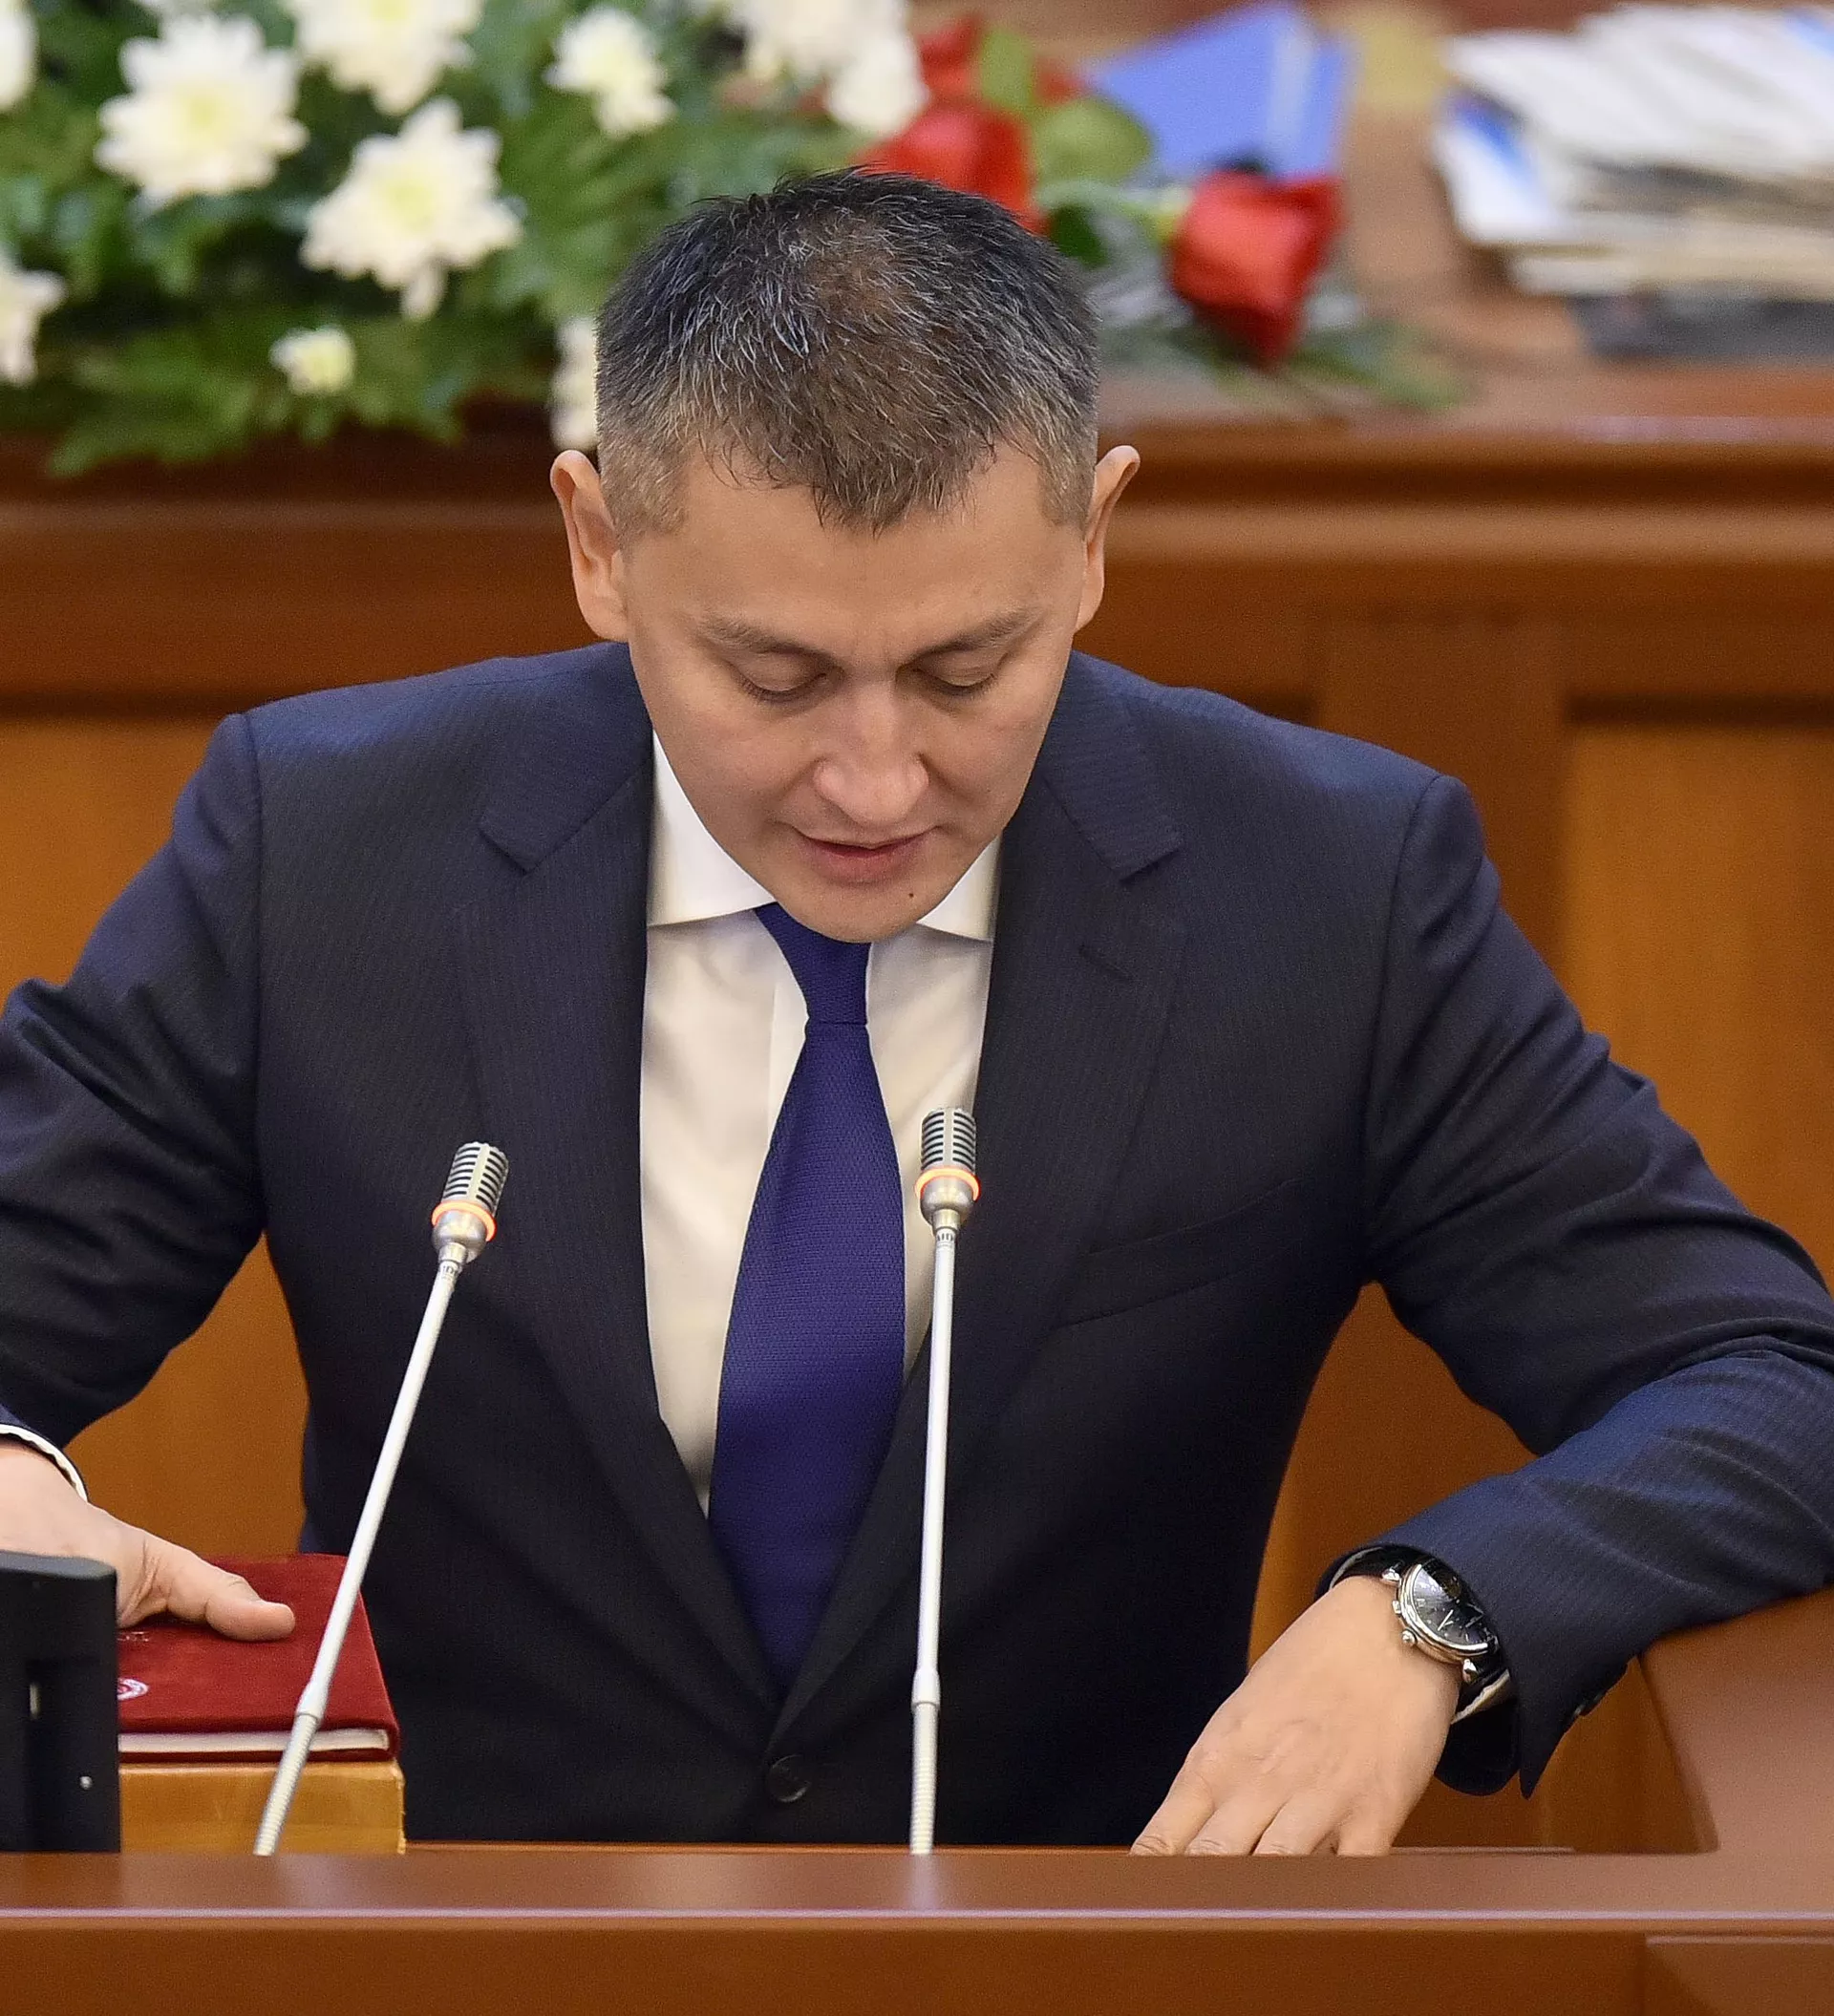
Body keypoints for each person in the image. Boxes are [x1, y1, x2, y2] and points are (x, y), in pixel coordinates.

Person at [2, 173, 1832, 1854]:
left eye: (968, 667)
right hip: (459, 1946)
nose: (875, 781)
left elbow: (1772, 1381)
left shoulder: (1327, 895)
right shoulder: (326, 853)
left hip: (1066, 1959)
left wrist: (1429, 1615)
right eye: (775, 675)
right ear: (599, 544)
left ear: (1094, 537)